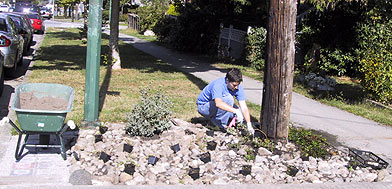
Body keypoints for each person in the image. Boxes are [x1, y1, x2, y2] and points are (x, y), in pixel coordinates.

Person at [196, 68, 255, 135]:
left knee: (242, 114)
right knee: (229, 99)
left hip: (217, 105)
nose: (236, 87)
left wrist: (249, 124)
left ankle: (228, 122)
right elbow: (218, 103)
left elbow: (244, 107)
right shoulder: (218, 85)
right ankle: (218, 125)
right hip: (204, 107)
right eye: (234, 85)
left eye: (238, 85)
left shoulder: (238, 88)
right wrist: (235, 111)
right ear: (227, 80)